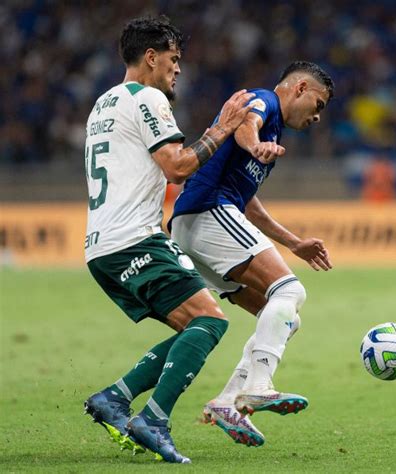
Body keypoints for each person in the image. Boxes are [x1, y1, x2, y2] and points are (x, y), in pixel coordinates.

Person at [83, 16, 254, 464]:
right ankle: (153, 419)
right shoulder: (147, 98)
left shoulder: (103, 104)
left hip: (103, 246)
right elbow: (177, 166)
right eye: (174, 60)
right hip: (132, 241)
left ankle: (114, 399)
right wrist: (224, 127)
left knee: (191, 328)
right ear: (151, 57)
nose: (178, 70)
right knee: (211, 322)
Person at [169, 61, 334, 447]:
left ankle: (227, 402)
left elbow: (247, 202)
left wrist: (293, 243)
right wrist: (255, 144)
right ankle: (260, 384)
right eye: (318, 104)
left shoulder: (271, 132)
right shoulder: (265, 103)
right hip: (207, 210)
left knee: (283, 318)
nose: (317, 117)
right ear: (300, 87)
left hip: (200, 224)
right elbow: (246, 122)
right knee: (291, 292)